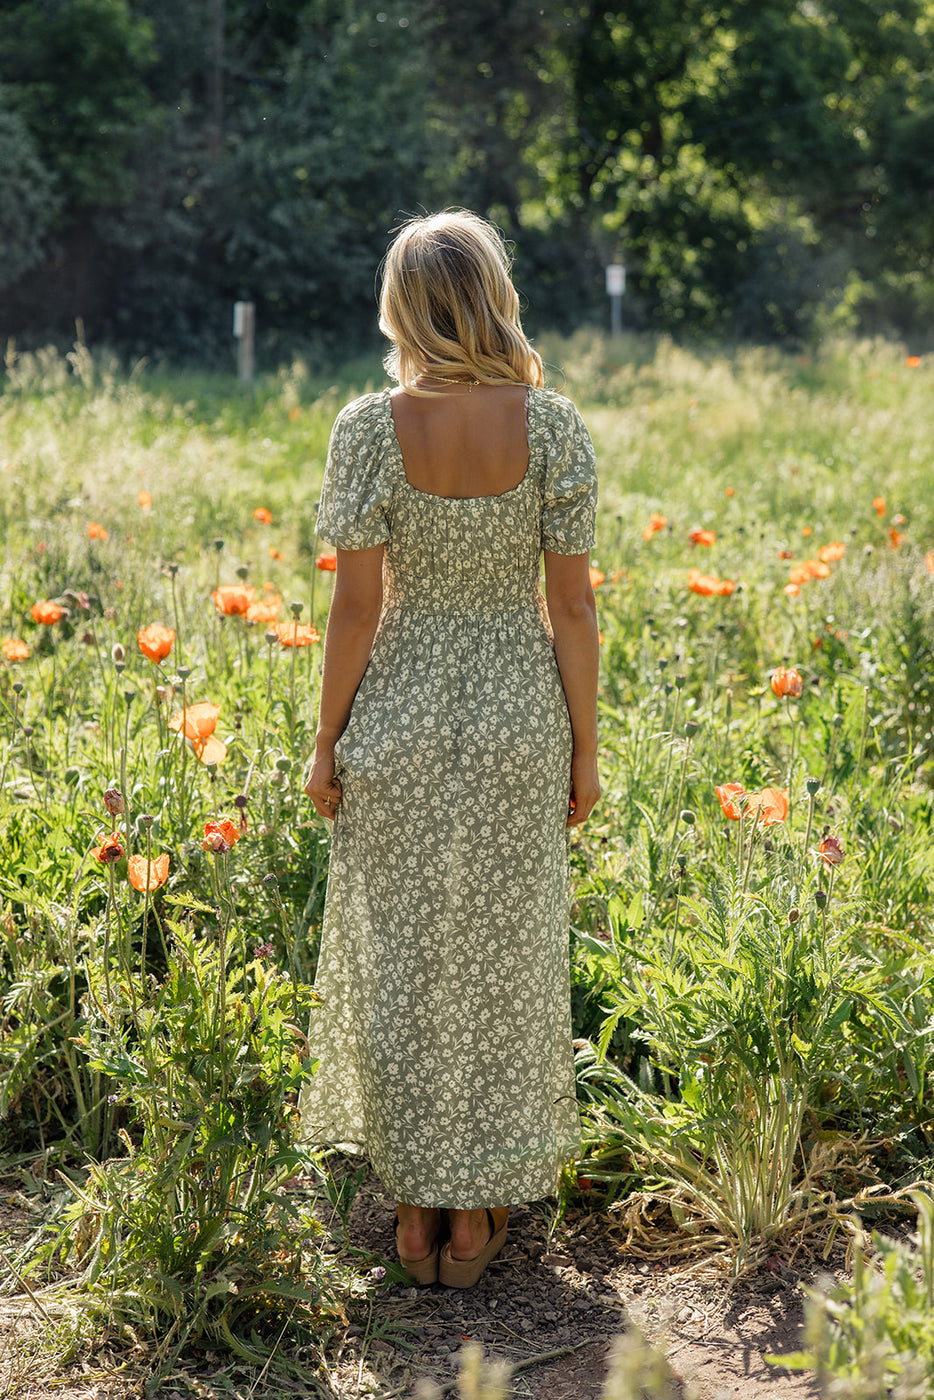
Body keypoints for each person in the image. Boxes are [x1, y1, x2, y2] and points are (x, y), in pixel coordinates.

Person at [301, 210, 600, 1288]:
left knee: (403, 959)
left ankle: (413, 1212)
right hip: (520, 715)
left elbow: (353, 609)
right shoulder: (556, 427)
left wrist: (325, 740)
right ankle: (478, 1214)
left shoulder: (366, 429)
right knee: (504, 961)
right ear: (493, 294)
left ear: (400, 306)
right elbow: (570, 610)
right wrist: (584, 753)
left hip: (406, 716)